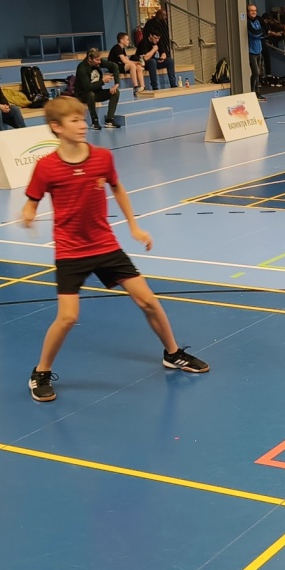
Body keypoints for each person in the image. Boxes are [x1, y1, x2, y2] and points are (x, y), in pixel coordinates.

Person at [21, 96, 208, 403]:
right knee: (67, 317)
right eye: (74, 120)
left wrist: (134, 226)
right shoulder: (46, 167)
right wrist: (28, 214)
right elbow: (32, 200)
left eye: (82, 118)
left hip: (105, 245)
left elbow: (117, 187)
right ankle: (40, 372)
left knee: (148, 301)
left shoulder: (102, 157)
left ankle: (173, 353)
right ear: (56, 127)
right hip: (70, 251)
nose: (82, 125)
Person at [73, 49, 120, 129]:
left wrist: (116, 83)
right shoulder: (82, 68)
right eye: (97, 60)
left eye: (100, 59)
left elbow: (114, 66)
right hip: (83, 94)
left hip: (97, 92)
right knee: (90, 94)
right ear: (90, 59)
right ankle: (95, 121)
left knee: (115, 92)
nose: (99, 62)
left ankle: (109, 120)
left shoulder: (97, 63)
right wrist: (102, 81)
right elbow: (88, 87)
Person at [140, 14, 177, 88]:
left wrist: (162, 57)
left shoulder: (159, 41)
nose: (157, 40)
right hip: (144, 63)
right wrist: (154, 49)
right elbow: (145, 58)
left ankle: (173, 84)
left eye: (158, 38)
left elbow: (163, 53)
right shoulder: (143, 42)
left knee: (170, 61)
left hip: (154, 61)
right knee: (152, 61)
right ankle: (154, 86)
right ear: (150, 36)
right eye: (155, 38)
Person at [245, 3, 266, 92]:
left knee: (258, 73)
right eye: (251, 10)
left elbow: (264, 32)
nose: (253, 12)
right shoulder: (247, 22)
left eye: (255, 10)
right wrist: (260, 33)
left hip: (259, 50)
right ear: (248, 12)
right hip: (252, 52)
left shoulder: (257, 21)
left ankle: (257, 92)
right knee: (255, 73)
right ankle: (252, 91)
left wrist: (259, 33)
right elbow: (254, 34)